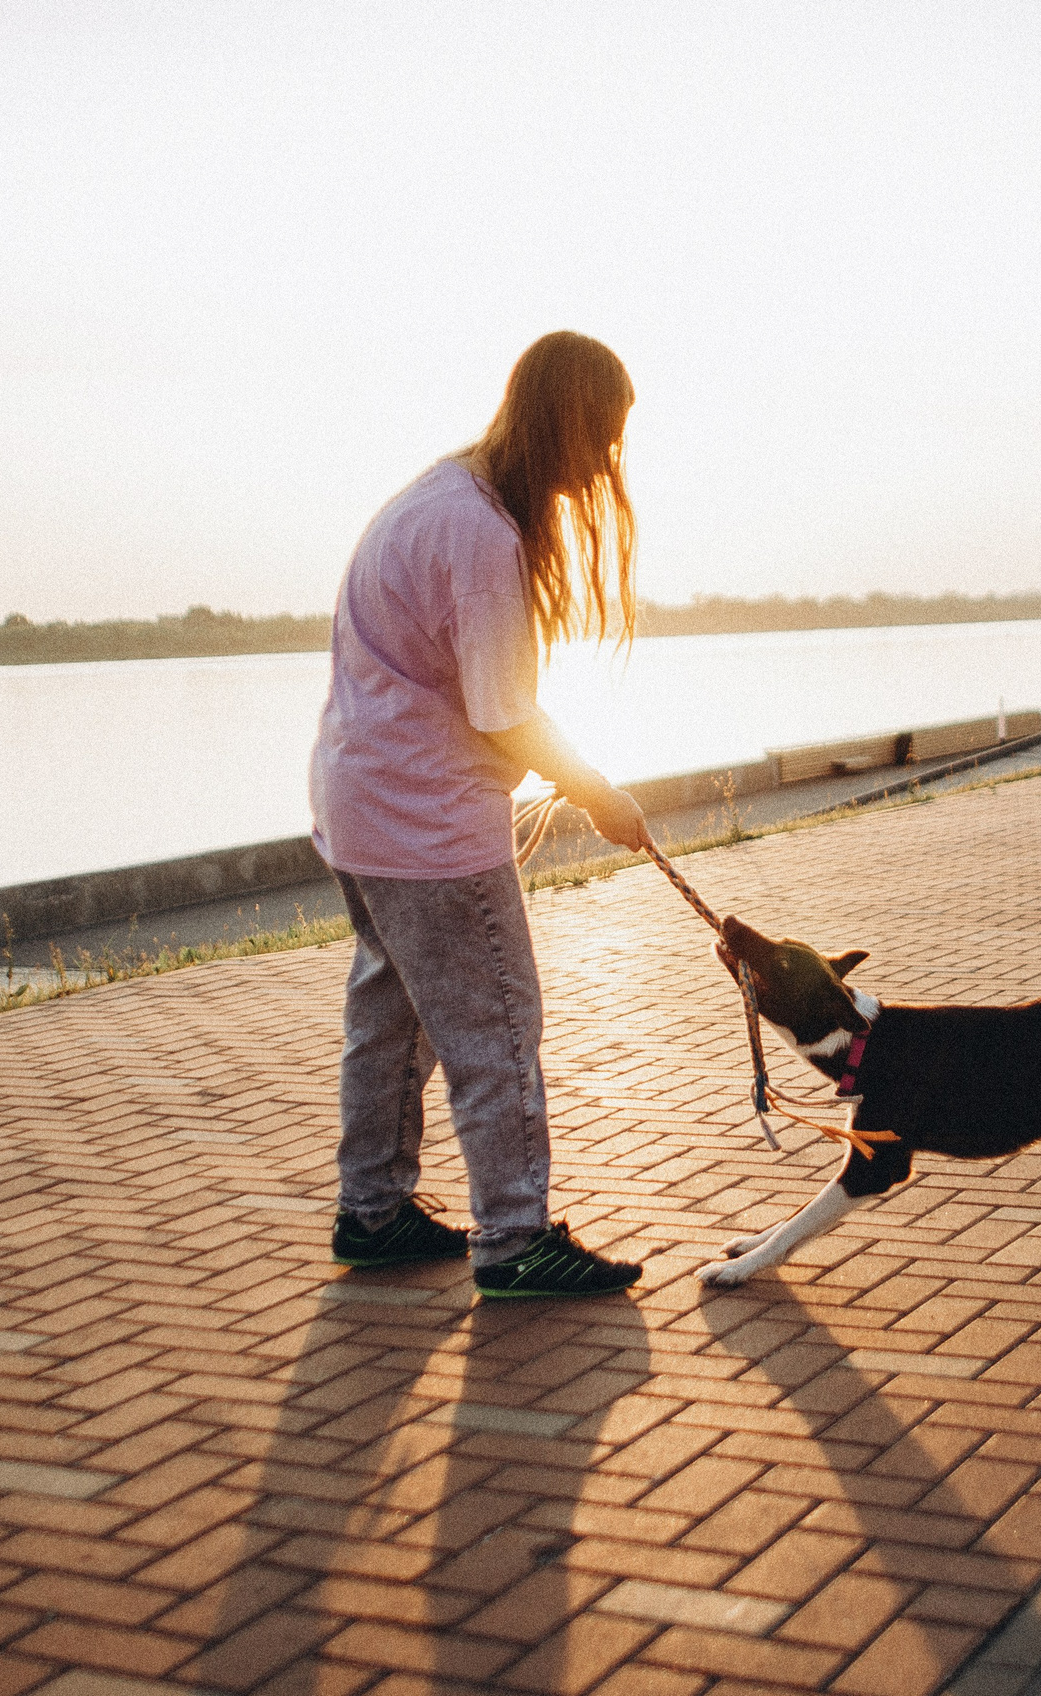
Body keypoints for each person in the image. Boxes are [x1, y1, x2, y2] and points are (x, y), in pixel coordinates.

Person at [307, 331, 654, 1299]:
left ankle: (369, 1210)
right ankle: (514, 1236)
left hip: (361, 806)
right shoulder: (480, 533)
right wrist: (600, 793)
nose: (603, 465)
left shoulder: (443, 494)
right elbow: (504, 711)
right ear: (568, 421)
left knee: (394, 1017)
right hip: (426, 828)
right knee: (497, 1023)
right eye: (603, 438)